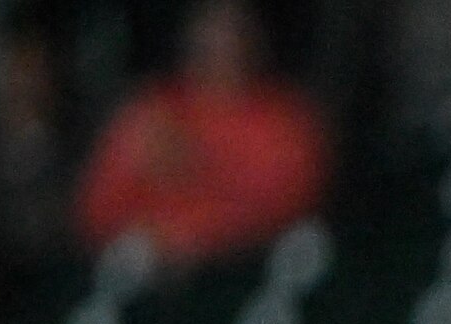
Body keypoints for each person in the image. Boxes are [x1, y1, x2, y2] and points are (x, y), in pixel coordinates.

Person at [70, 0, 323, 266]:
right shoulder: (153, 111)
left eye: (232, 29)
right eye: (209, 27)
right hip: (148, 280)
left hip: (240, 274)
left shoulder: (286, 121)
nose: (219, 41)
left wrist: (192, 221)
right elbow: (94, 212)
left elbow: (284, 206)